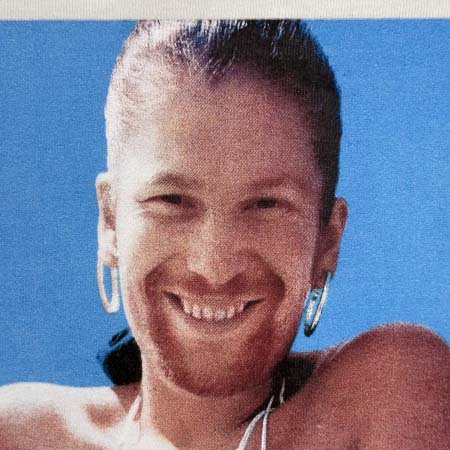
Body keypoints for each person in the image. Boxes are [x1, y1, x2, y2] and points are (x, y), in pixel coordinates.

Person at [1, 19, 449, 450]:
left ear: (327, 240)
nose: (214, 267)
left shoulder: (390, 392)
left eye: (266, 205)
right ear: (111, 220)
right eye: (172, 200)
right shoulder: (17, 433)